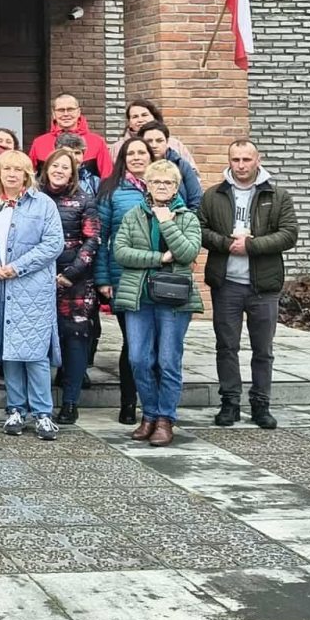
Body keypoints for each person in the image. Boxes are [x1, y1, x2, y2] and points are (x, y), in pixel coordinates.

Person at [200, 139, 299, 431]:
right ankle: (230, 403)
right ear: (229, 161)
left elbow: (289, 234)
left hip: (263, 286)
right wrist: (226, 243)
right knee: (226, 347)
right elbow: (200, 230)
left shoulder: (277, 195)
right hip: (226, 284)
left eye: (246, 159)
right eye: (236, 159)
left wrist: (251, 246)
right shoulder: (213, 195)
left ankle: (260, 404)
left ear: (258, 160)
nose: (241, 165)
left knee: (263, 349)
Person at [0, 151, 65, 440]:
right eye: (7, 169)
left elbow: (53, 243)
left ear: (27, 174)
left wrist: (18, 267)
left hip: (31, 289)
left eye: (18, 170)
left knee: (34, 353)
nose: (12, 174)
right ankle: (15, 409)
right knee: (9, 352)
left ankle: (43, 413)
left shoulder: (43, 204)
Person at [113, 159, 203, 447]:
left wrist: (167, 222)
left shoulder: (187, 218)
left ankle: (165, 419)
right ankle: (149, 414)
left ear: (176, 187)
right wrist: (158, 258)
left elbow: (187, 253)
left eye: (168, 182)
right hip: (139, 297)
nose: (162, 186)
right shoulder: (133, 215)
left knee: (167, 361)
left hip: (173, 300)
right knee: (138, 359)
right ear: (147, 185)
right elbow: (121, 252)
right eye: (156, 181)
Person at [39, 149, 101, 425]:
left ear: (73, 172)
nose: (59, 170)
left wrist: (71, 273)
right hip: (38, 279)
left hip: (76, 281)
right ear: (46, 168)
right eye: (55, 165)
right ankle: (38, 401)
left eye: (65, 167)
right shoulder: (34, 196)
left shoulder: (84, 200)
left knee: (75, 338)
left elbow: (92, 240)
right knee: (40, 339)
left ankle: (70, 402)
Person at [96, 136, 153, 425]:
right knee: (133, 343)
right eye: (131, 153)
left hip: (158, 278)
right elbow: (100, 238)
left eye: (142, 152)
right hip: (123, 277)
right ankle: (128, 403)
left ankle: (154, 404)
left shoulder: (164, 186)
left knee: (157, 344)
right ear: (123, 159)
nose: (137, 157)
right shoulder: (112, 191)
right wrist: (103, 278)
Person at [28, 94, 112, 180]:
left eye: (70, 109)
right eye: (61, 110)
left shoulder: (97, 142)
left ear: (79, 112)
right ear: (54, 113)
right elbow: (30, 177)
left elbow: (107, 177)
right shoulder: (39, 143)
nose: (66, 114)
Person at [109, 98, 197, 166]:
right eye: (135, 117)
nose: (140, 120)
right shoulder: (117, 148)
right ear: (129, 123)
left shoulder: (174, 145)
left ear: (154, 117)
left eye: (144, 115)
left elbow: (192, 173)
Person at [138, 121, 201, 208]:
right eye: (149, 141)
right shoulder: (136, 168)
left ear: (167, 142)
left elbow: (196, 201)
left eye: (159, 141)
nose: (154, 145)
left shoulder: (181, 166)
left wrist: (185, 216)